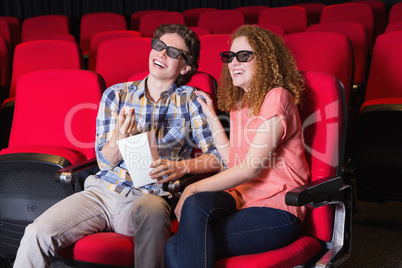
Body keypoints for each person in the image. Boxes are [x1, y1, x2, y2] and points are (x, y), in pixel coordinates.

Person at [13, 24, 222, 268]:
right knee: (37, 232)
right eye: (159, 46)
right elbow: (104, 161)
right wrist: (119, 138)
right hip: (102, 192)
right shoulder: (116, 94)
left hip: (149, 196)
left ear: (186, 67)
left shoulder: (191, 101)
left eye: (174, 53)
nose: (162, 54)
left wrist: (182, 167)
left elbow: (217, 157)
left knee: (154, 212)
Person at [164, 24, 310, 268]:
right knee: (191, 215)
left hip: (278, 210)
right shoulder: (241, 102)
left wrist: (191, 189)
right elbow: (233, 161)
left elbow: (250, 169)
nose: (233, 63)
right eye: (229, 57)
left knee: (178, 245)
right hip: (242, 201)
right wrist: (212, 115)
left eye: (243, 56)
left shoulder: (278, 96)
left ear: (264, 61)